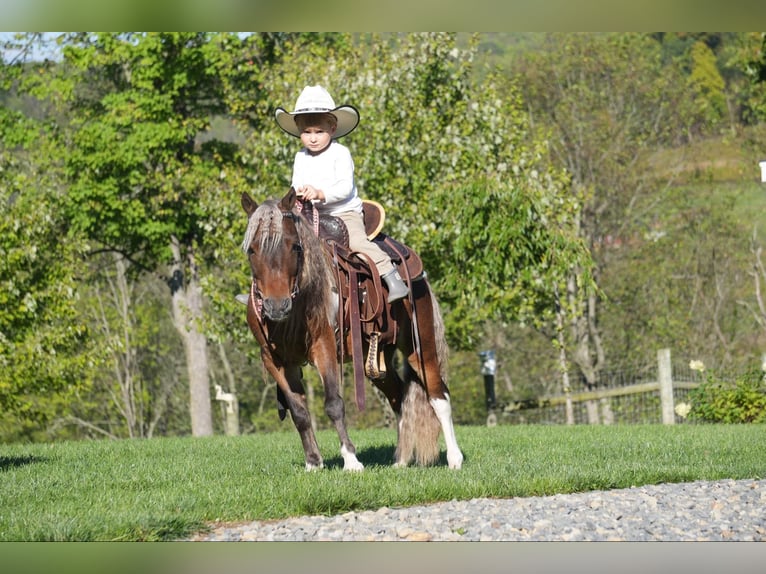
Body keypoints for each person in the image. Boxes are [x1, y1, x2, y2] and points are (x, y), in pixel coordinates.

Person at [237, 85, 409, 305]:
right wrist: (298, 192)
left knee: (358, 242)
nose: (313, 138)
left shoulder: (340, 154)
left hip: (343, 213)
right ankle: (260, 291)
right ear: (299, 131)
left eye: (319, 131)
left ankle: (391, 276)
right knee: (275, 243)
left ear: (333, 128)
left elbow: (345, 188)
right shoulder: (301, 157)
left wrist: (319, 193)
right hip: (309, 214)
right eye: (306, 132)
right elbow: (296, 183)